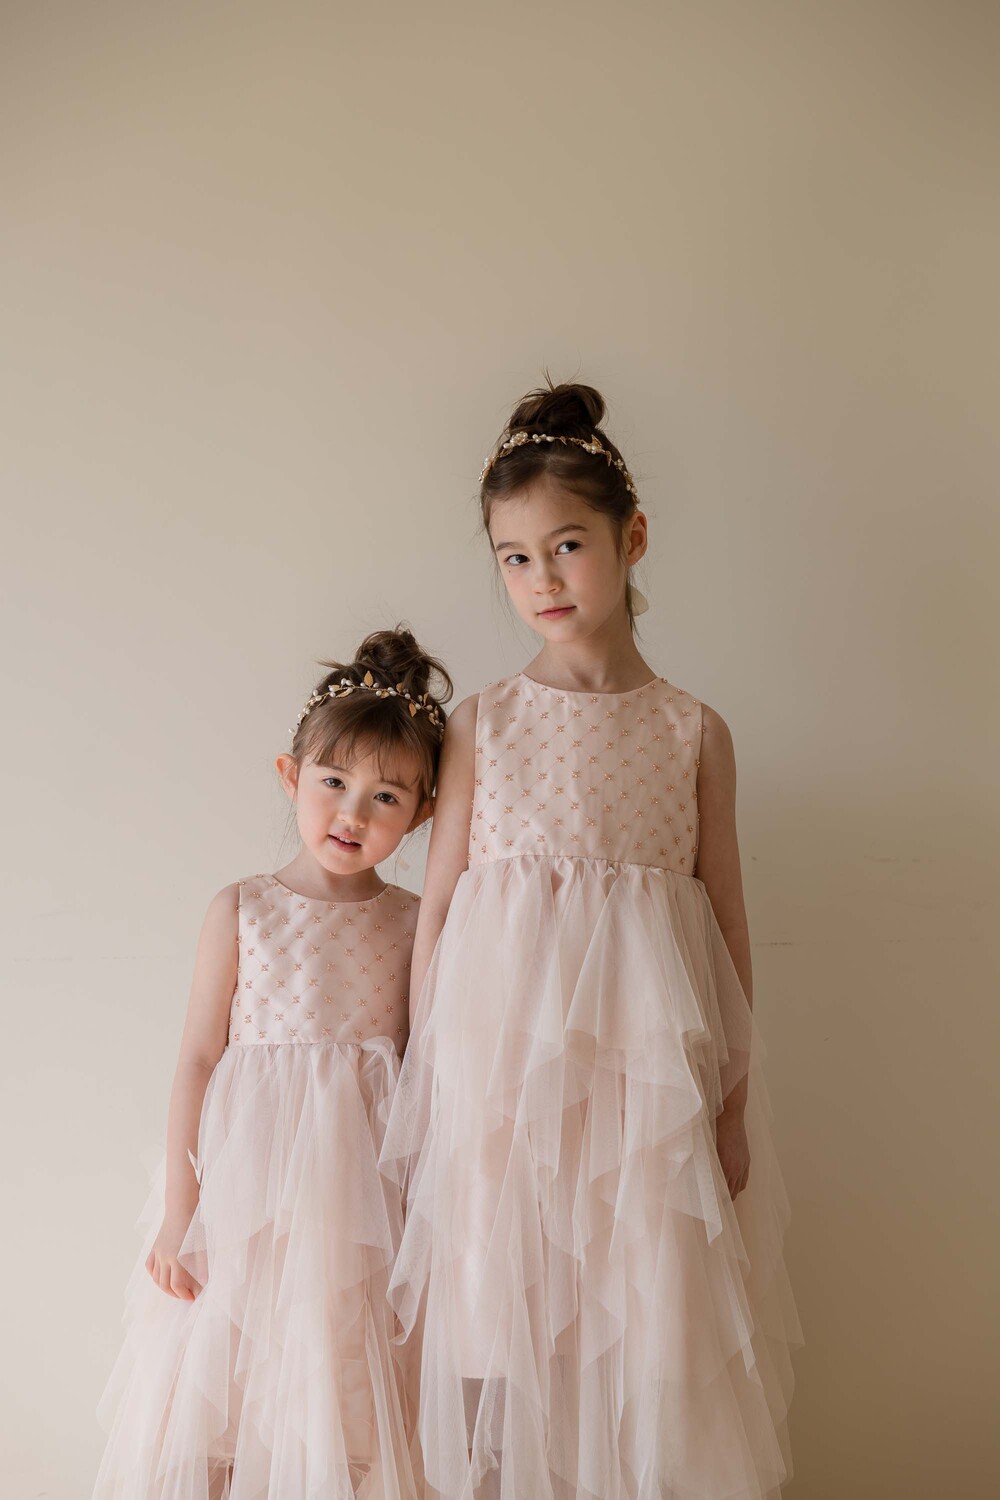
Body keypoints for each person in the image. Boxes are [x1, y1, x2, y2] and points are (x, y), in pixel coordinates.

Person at [379, 384, 803, 1500]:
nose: (544, 580)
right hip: (505, 1089)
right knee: (513, 1328)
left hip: (640, 1099)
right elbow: (440, 910)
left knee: (644, 1328)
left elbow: (724, 923)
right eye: (514, 559)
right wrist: (427, 1080)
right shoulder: (482, 722)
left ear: (632, 538)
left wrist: (729, 1104)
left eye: (567, 546)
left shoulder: (692, 731)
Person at [94, 626, 452, 1499]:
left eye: (385, 797)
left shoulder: (415, 924)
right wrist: (182, 1210)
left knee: (345, 1402)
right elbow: (197, 1059)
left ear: (422, 813)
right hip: (243, 1203)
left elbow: (427, 1069)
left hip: (359, 1214)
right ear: (292, 776)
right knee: (221, 1397)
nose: (353, 814)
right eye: (334, 783)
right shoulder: (242, 909)